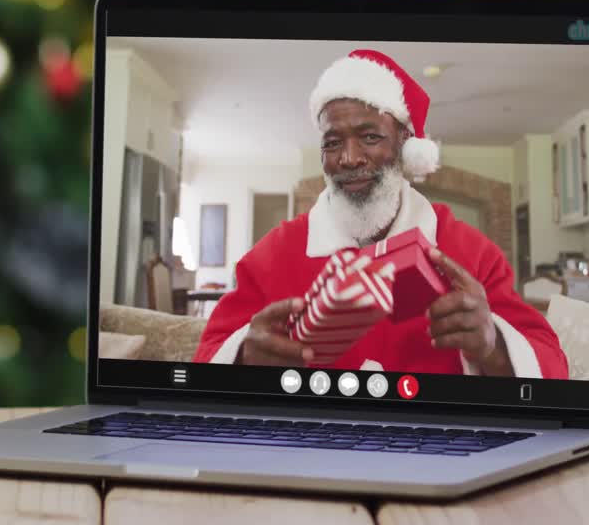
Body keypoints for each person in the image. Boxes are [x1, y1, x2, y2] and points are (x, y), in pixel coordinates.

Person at [193, 49, 568, 379]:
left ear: (405, 145)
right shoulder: (273, 255)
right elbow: (207, 359)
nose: (349, 158)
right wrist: (243, 357)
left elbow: (551, 368)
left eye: (370, 137)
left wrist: (493, 344)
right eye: (332, 143)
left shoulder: (470, 252)